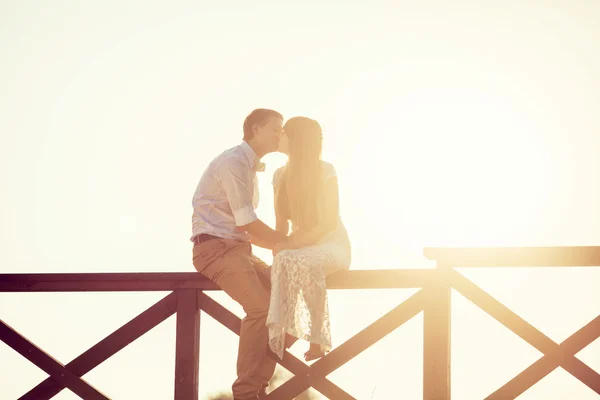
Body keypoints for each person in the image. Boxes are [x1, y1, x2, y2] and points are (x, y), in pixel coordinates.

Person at [191, 109, 287, 400]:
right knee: (260, 308)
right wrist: (287, 243)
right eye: (276, 129)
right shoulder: (233, 162)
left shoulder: (249, 165)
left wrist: (283, 249)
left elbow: (244, 229)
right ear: (256, 130)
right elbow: (246, 221)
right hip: (215, 250)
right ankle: (245, 393)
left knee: (284, 300)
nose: (281, 136)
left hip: (239, 249)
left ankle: (258, 386)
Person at [266, 116, 352, 362]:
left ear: (297, 139)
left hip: (331, 242)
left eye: (283, 133)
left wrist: (290, 245)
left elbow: (328, 223)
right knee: (283, 260)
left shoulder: (326, 170)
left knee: (307, 261)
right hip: (299, 243)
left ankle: (316, 336)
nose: (279, 137)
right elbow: (281, 224)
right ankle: (286, 327)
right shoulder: (280, 175)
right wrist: (279, 248)